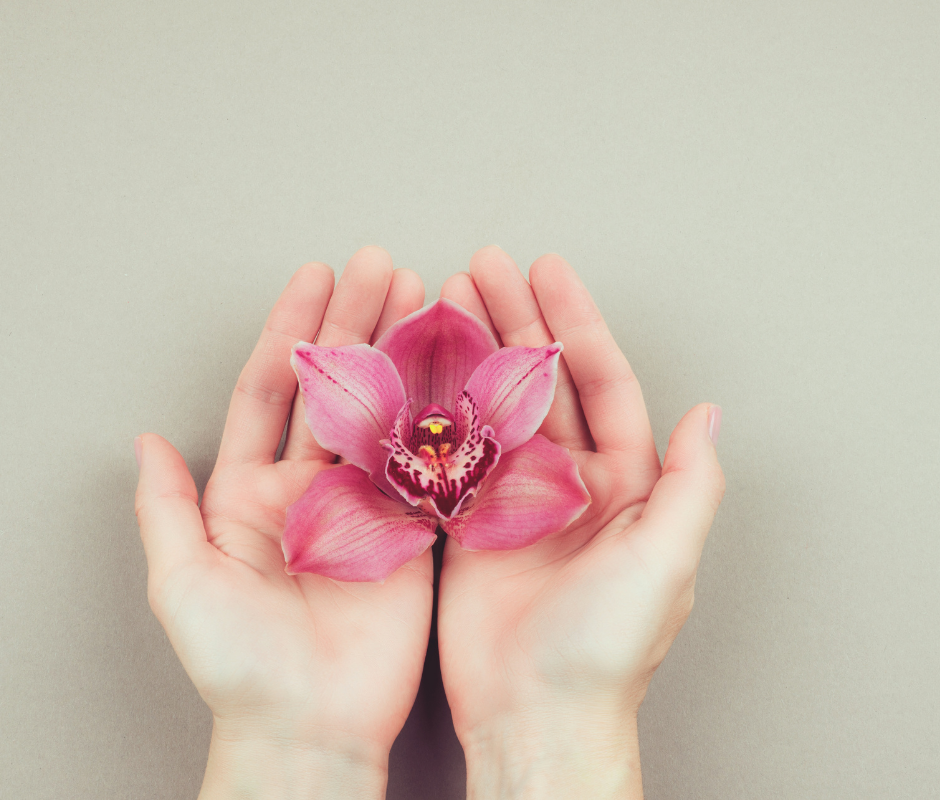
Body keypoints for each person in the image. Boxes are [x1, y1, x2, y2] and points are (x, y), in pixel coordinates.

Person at [133, 245, 725, 799]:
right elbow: (313, 538)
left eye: (446, 439)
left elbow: (562, 486)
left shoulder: (549, 484)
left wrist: (291, 744)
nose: (437, 442)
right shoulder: (339, 512)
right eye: (425, 442)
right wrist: (559, 726)